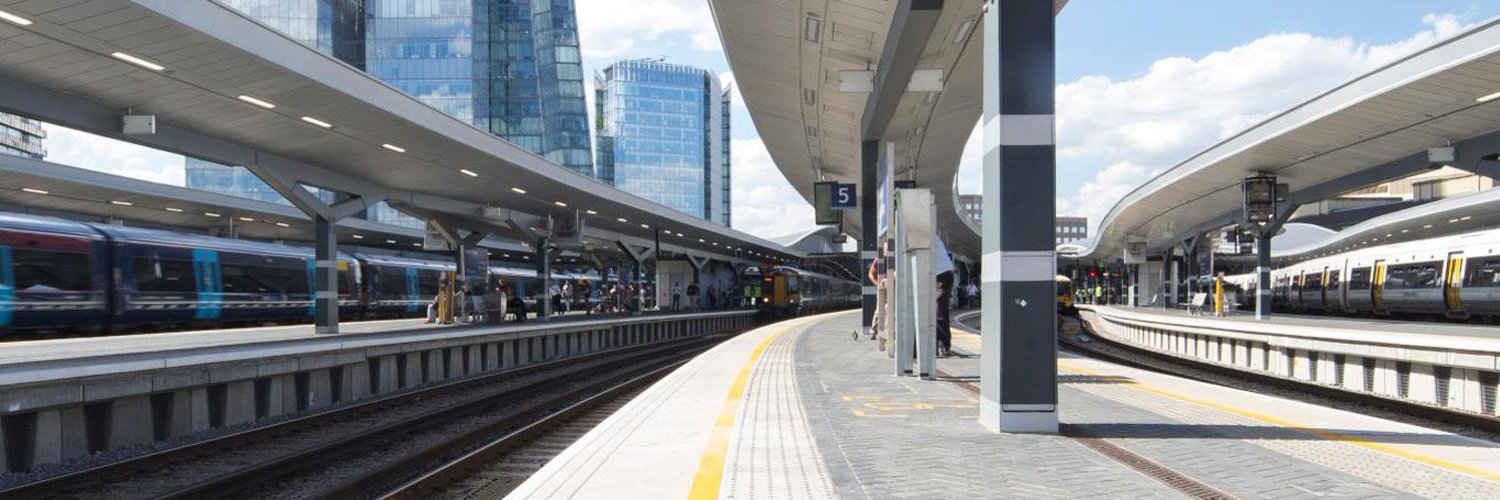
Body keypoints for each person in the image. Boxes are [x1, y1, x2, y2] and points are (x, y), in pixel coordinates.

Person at [934, 235, 955, 358]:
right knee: (940, 310)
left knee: (939, 311)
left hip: (939, 275)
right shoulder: (934, 236)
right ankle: (943, 345)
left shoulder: (926, 236)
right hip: (945, 274)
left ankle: (943, 345)